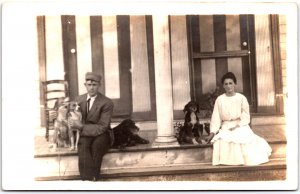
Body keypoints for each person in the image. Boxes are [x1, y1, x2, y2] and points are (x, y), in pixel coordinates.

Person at [205, 72, 272, 166]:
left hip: (240, 124)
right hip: (226, 125)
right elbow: (216, 117)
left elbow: (245, 115)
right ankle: (229, 161)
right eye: (226, 84)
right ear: (223, 86)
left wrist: (238, 125)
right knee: (223, 139)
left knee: (243, 137)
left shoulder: (241, 98)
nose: (228, 86)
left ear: (235, 84)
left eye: (230, 83)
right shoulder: (220, 99)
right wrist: (212, 133)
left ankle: (243, 160)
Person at [69, 72, 114, 181]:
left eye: (94, 85)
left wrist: (81, 126)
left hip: (102, 133)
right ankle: (86, 179)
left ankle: (94, 177)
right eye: (89, 85)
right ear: (85, 85)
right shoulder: (79, 100)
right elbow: (72, 115)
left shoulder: (107, 102)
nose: (91, 88)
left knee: (97, 145)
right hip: (85, 133)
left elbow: (103, 126)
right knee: (83, 144)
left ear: (99, 85)